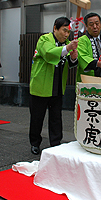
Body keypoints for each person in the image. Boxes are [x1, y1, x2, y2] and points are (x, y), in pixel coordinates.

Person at [29, 17, 78, 155]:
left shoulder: (68, 43)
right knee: (37, 117)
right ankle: (35, 143)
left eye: (68, 32)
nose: (66, 34)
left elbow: (71, 63)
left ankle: (55, 143)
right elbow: (49, 54)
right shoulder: (45, 39)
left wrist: (73, 56)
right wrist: (68, 48)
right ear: (55, 28)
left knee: (56, 117)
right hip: (41, 85)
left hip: (57, 86)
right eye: (64, 31)